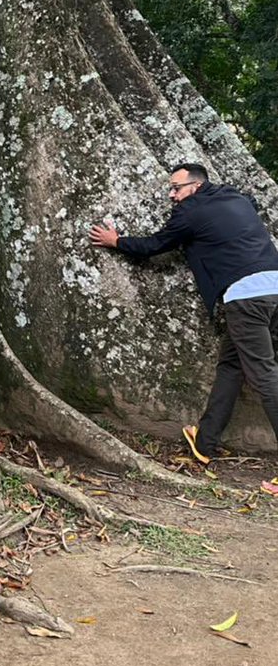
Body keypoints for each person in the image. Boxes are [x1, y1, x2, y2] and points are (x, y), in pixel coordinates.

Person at [90, 163, 278, 468]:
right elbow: (250, 206)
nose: (172, 195)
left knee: (264, 376)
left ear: (196, 186)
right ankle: (205, 442)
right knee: (231, 365)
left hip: (247, 299)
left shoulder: (189, 212)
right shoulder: (236, 198)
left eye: (176, 188)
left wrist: (117, 241)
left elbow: (155, 245)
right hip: (274, 289)